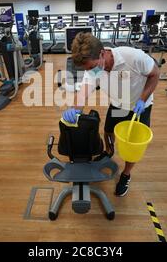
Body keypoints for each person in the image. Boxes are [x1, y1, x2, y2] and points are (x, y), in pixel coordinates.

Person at [62, 33, 160, 197]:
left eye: (92, 67)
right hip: (118, 104)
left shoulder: (133, 57)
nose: (91, 71)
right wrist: (75, 109)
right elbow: (83, 92)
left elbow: (155, 74)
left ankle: (126, 174)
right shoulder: (94, 69)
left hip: (139, 107)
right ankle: (109, 152)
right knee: (108, 131)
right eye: (87, 69)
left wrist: (142, 99)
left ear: (102, 53)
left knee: (133, 146)